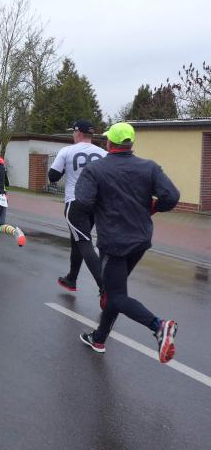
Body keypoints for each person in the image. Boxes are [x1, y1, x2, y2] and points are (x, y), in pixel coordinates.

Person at [72, 122, 179, 363]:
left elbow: (83, 202)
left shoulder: (95, 170)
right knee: (114, 290)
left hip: (114, 243)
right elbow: (172, 196)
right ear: (130, 144)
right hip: (140, 241)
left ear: (109, 143)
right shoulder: (149, 167)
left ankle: (160, 327)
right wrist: (153, 207)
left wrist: (101, 205)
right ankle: (99, 339)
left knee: (117, 295)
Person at [48, 120, 106, 294]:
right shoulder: (104, 153)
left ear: (78, 133)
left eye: (73, 132)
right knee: (78, 240)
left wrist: (65, 169)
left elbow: (52, 176)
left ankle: (105, 287)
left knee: (84, 242)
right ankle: (71, 278)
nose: (72, 135)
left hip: (75, 202)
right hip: (95, 204)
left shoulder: (67, 151)